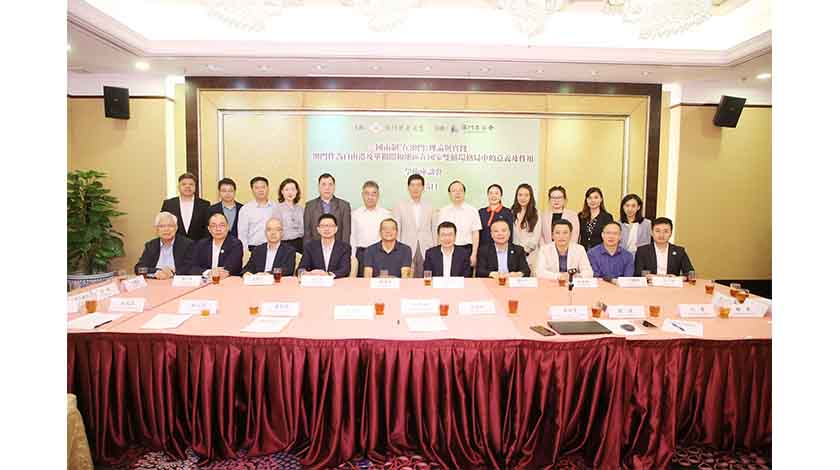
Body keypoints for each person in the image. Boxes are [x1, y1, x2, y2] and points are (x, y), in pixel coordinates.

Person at [392, 174, 435, 278]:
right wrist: (396, 249)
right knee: (407, 278)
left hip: (426, 246)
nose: (415, 188)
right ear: (408, 188)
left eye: (418, 185)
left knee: (425, 278)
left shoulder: (430, 206)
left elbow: (434, 229)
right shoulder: (399, 206)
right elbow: (396, 229)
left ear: (423, 188)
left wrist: (435, 247)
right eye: (412, 185)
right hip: (406, 246)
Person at [134, 211, 194, 279]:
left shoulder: (187, 244)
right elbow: (139, 269)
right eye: (162, 226)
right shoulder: (151, 246)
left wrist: (173, 272)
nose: (166, 229)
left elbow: (190, 267)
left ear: (176, 228)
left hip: (177, 282)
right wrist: (157, 271)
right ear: (156, 229)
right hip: (155, 282)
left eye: (170, 226)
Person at [436, 180, 481, 270]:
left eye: (460, 190)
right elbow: (439, 233)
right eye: (454, 191)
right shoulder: (443, 211)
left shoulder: (472, 210)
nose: (457, 193)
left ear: (464, 193)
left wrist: (474, 254)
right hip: (447, 249)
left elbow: (475, 233)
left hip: (466, 249)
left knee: (466, 276)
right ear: (449, 194)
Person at [350, 181, 391, 277]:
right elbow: (352, 237)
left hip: (380, 253)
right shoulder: (355, 214)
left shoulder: (386, 214)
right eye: (367, 194)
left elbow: (390, 236)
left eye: (373, 194)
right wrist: (353, 257)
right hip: (361, 254)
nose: (370, 197)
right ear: (362, 195)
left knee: (380, 282)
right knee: (362, 283)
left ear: (378, 195)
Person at [189, 213, 243, 277]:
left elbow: (231, 268)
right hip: (205, 279)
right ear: (209, 229)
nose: (218, 229)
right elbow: (191, 267)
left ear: (228, 227)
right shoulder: (201, 244)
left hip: (228, 280)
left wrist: (217, 273)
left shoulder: (236, 244)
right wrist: (208, 272)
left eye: (222, 225)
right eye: (214, 226)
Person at [160, 172, 210, 241]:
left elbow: (207, 228)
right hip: (175, 244)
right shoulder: (169, 204)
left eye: (191, 184)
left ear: (195, 187)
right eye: (184, 184)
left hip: (198, 245)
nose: (187, 186)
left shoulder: (204, 205)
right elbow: (163, 226)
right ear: (178, 187)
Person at [303, 173, 352, 245]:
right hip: (316, 248)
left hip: (337, 248)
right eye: (323, 184)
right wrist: (308, 250)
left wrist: (344, 250)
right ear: (318, 187)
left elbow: (346, 233)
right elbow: (307, 233)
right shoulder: (310, 206)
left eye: (330, 184)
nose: (327, 188)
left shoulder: (344, 206)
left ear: (334, 187)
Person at [299, 213, 352, 278]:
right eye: (323, 226)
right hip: (315, 281)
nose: (327, 229)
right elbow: (301, 268)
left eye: (330, 226)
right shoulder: (310, 247)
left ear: (336, 229)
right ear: (318, 229)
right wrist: (305, 273)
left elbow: (345, 269)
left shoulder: (344, 247)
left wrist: (328, 275)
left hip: (336, 281)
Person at [237, 176, 278, 252]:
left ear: (268, 188)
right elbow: (242, 235)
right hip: (253, 249)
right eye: (257, 188)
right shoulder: (246, 209)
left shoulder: (276, 207)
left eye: (263, 187)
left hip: (273, 247)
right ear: (252, 190)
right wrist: (245, 252)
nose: (260, 190)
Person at [510, 183, 541, 271]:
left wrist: (523, 251)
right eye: (520, 195)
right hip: (513, 256)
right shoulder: (511, 212)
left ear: (531, 197)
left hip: (530, 255)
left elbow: (536, 238)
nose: (523, 198)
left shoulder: (536, 213)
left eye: (526, 195)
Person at [477, 184, 514, 251]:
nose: (493, 196)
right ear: (488, 195)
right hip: (482, 250)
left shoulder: (507, 212)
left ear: (501, 196)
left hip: (501, 250)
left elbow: (510, 234)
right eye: (491, 193)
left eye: (496, 193)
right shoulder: (481, 212)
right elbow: (477, 233)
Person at [578, 187, 614, 251]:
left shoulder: (607, 217)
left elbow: (609, 236)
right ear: (586, 200)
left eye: (596, 197)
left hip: (600, 252)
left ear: (601, 199)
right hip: (583, 252)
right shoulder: (581, 216)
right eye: (590, 198)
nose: (593, 200)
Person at [275, 178, 305, 254]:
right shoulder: (277, 209)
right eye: (287, 190)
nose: (290, 192)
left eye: (293, 189)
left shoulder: (301, 209)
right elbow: (276, 230)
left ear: (297, 191)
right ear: (282, 191)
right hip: (285, 244)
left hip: (300, 243)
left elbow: (303, 228)